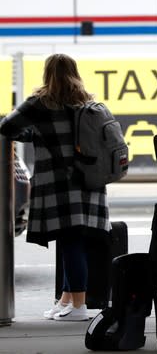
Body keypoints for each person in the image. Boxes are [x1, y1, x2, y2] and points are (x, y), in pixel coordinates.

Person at [0, 54, 110, 322]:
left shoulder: (40, 104)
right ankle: (66, 300)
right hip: (90, 183)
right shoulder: (89, 103)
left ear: (48, 74)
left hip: (59, 185)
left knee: (70, 242)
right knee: (72, 240)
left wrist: (31, 132)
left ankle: (79, 306)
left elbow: (6, 127)